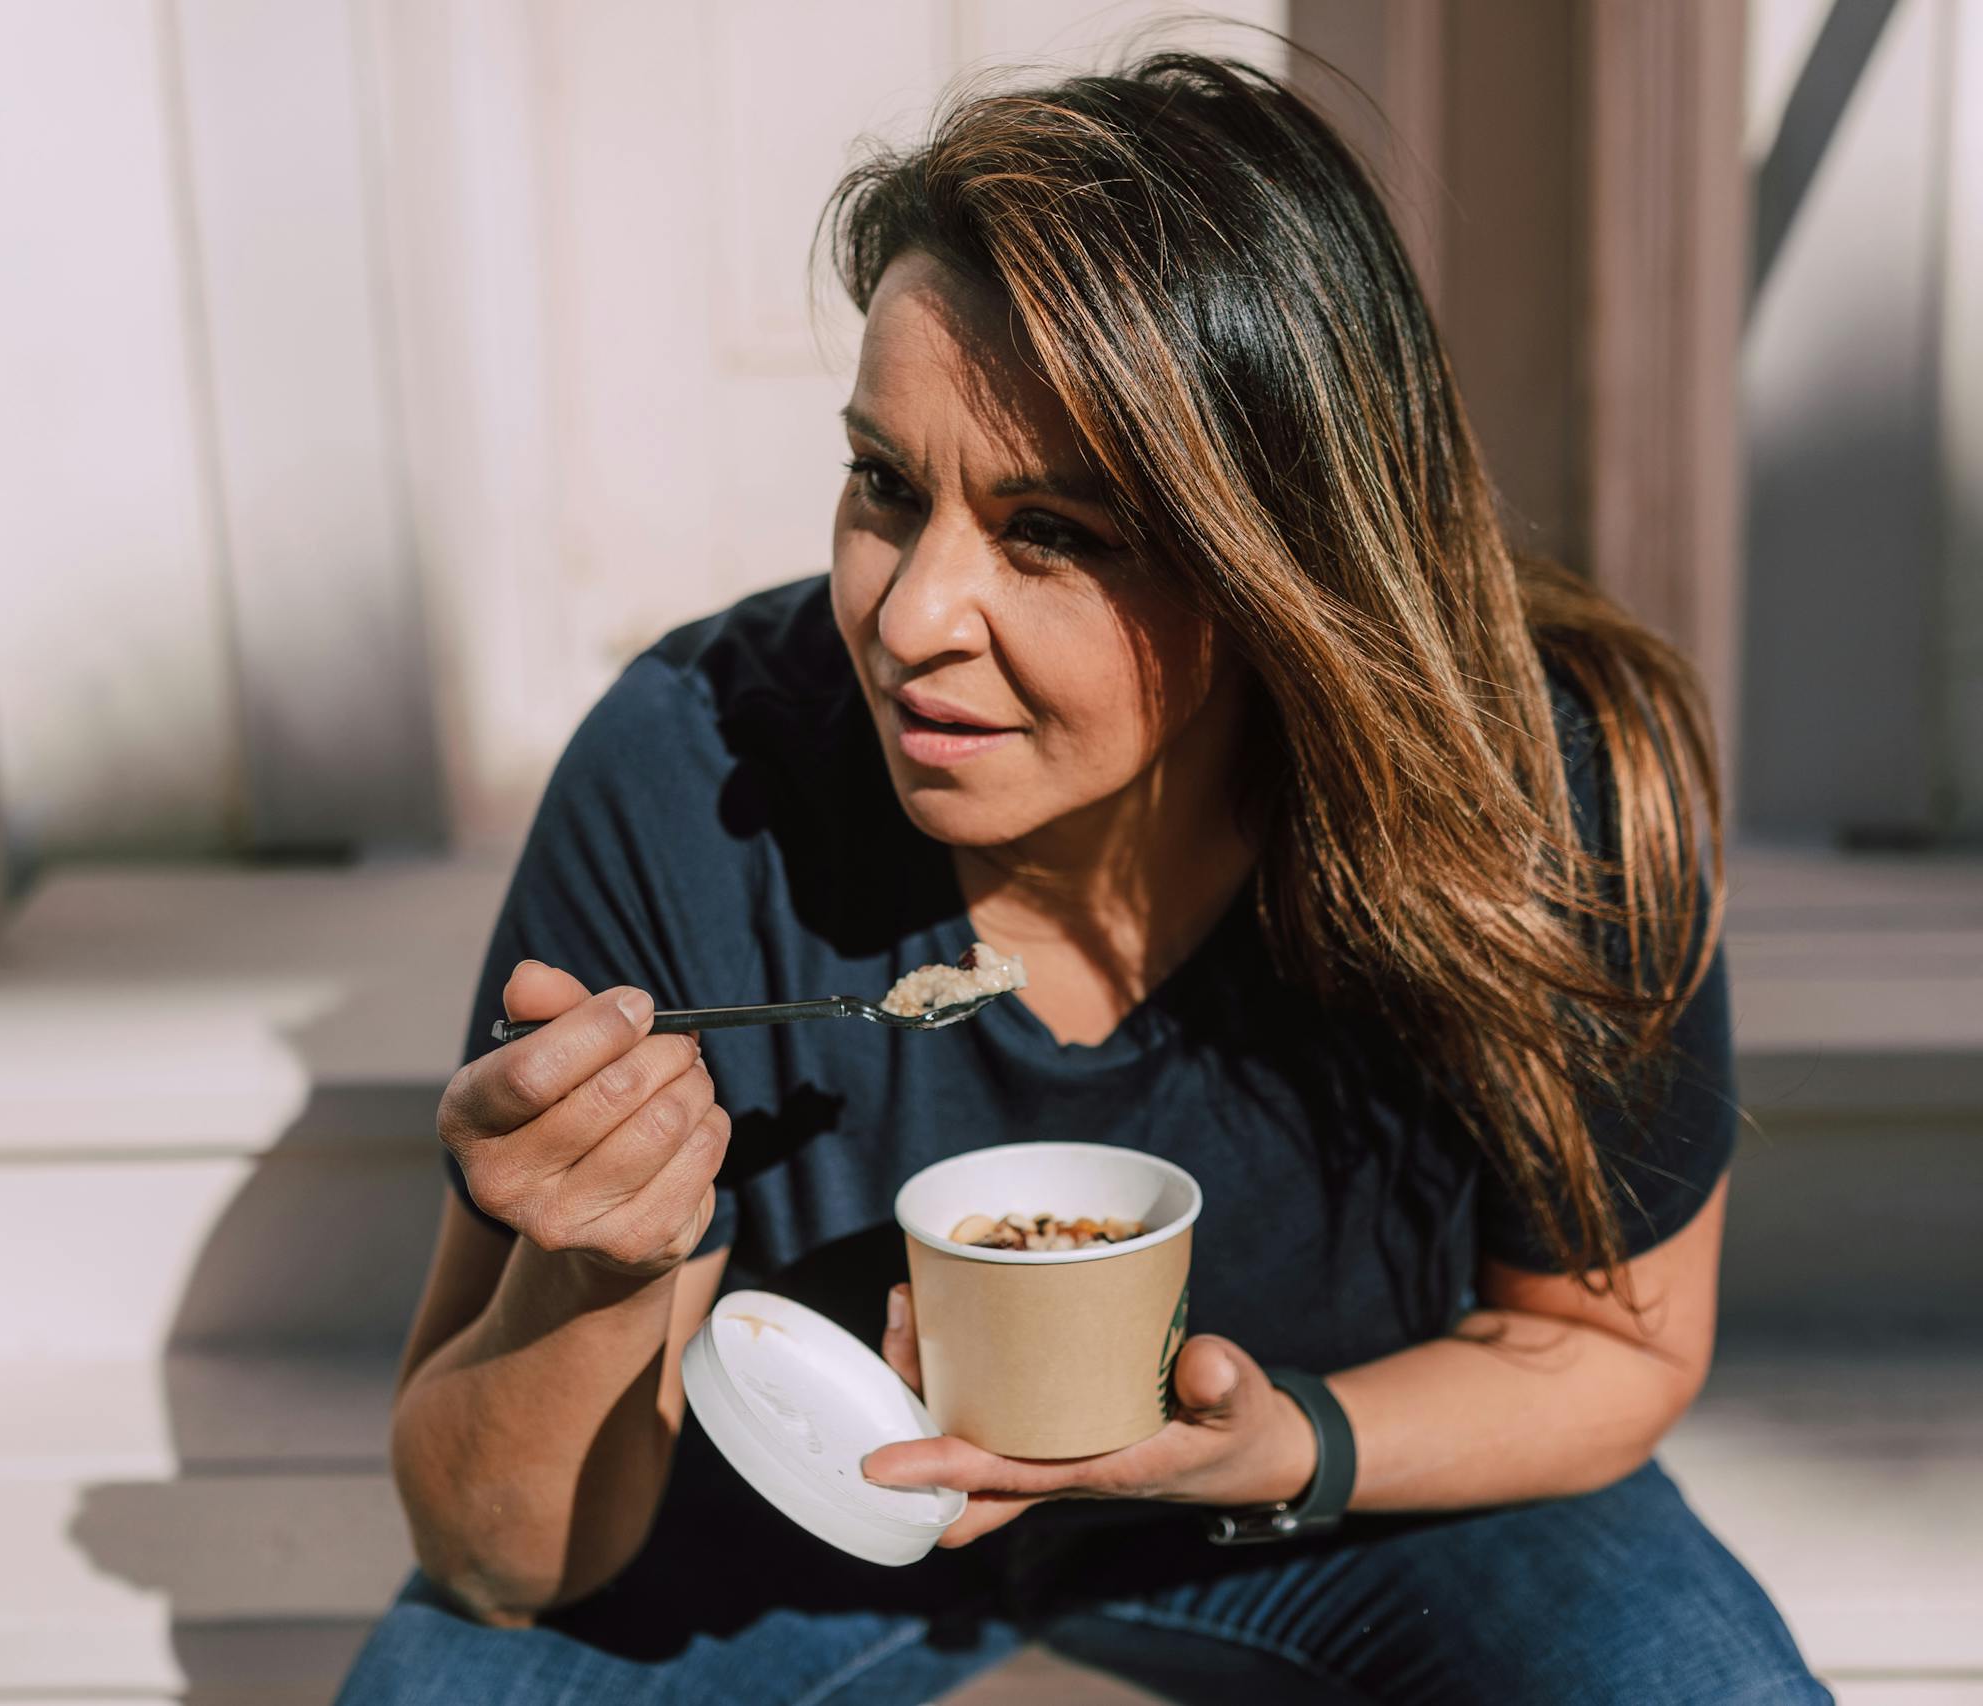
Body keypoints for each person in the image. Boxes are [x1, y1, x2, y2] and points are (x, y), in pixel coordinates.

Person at [339, 51, 1826, 1706]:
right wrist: (597, 1270)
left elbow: (1610, 1343)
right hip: (793, 1522)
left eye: (1052, 530)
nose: (910, 621)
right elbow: (493, 1554)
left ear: (1287, 565)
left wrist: (1293, 1441)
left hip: (1359, 1504)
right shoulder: (695, 777)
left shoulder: (1544, 791)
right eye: (886, 487)